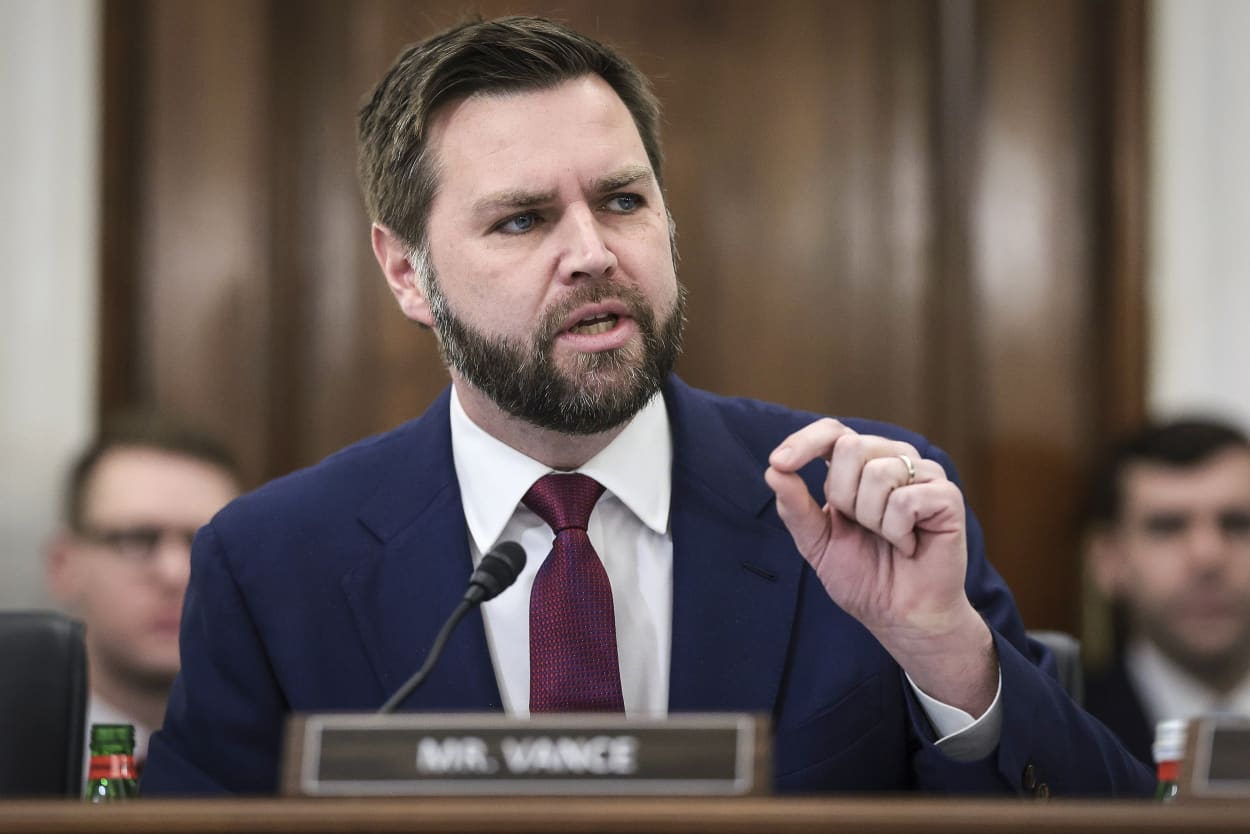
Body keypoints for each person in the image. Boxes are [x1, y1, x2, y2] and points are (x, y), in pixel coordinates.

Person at [142, 15, 1153, 796]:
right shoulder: (274, 563)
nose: (591, 251)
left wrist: (944, 655)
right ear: (406, 273)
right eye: (523, 218)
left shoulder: (858, 502)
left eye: (621, 200)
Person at [45, 411, 240, 771]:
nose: (175, 572)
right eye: (136, 540)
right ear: (63, 565)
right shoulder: (15, 753)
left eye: (206, 545)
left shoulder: (282, 763)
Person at [1083, 418, 1250, 765]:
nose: (1207, 556)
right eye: (1168, 527)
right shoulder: (1067, 733)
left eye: (1237, 523)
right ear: (1109, 561)